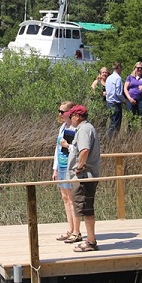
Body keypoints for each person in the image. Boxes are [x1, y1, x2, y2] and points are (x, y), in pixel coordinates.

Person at [63, 104, 101, 252]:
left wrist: (79, 167)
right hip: (86, 175)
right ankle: (89, 240)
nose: (70, 119)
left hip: (85, 176)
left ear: (77, 116)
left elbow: (84, 150)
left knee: (86, 208)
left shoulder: (84, 130)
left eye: (71, 116)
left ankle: (91, 242)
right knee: (85, 208)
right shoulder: (87, 128)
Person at [53, 101, 82, 244]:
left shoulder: (77, 129)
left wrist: (67, 145)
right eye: (59, 111)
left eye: (62, 111)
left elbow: (78, 149)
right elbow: (57, 149)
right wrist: (55, 168)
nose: (60, 114)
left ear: (70, 113)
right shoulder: (62, 127)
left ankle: (77, 231)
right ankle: (70, 229)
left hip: (72, 167)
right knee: (65, 198)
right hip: (62, 166)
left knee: (73, 199)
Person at [104, 61, 124, 138]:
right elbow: (118, 93)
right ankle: (112, 140)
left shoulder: (109, 78)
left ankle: (109, 139)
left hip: (109, 102)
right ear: (118, 68)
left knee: (112, 122)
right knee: (116, 124)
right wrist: (124, 100)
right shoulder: (118, 78)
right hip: (116, 103)